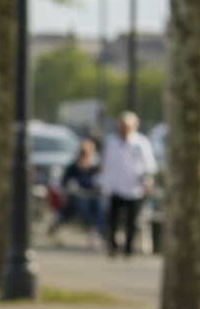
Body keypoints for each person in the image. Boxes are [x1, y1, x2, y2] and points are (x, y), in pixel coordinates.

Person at [99, 111, 157, 259]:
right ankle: (113, 246)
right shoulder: (111, 142)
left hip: (133, 187)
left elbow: (149, 166)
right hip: (115, 186)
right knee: (113, 219)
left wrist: (147, 183)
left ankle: (129, 249)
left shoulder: (141, 143)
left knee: (132, 221)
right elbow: (106, 164)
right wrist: (104, 183)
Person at [50, 137, 104, 244]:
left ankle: (98, 231)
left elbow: (97, 183)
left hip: (90, 196)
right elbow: (64, 184)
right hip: (75, 197)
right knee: (83, 206)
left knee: (100, 206)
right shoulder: (72, 168)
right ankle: (91, 228)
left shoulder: (93, 168)